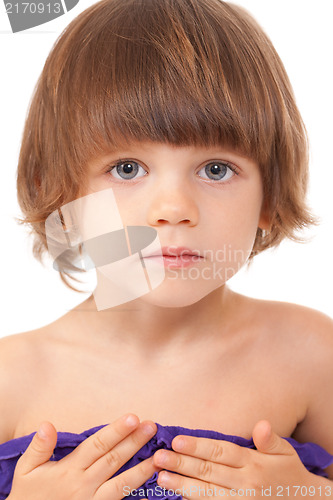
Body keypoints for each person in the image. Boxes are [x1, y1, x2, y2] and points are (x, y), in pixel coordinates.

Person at [1, 0, 333, 498]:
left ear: (271, 195)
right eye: (127, 168)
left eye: (216, 169)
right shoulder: (14, 377)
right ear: (61, 196)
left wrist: (308, 493)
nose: (174, 209)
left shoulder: (308, 352)